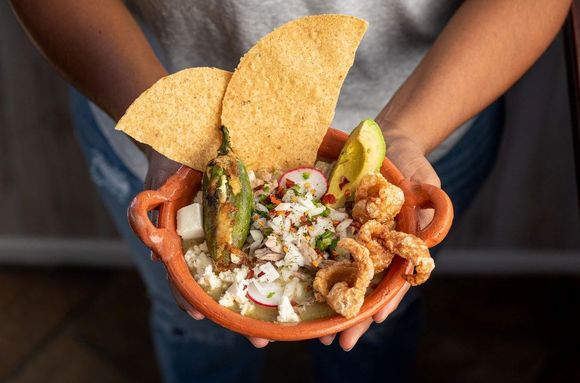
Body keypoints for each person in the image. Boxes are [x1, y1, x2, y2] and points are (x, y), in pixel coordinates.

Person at [11, 1, 571, 382]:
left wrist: (404, 134)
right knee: (191, 324)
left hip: (435, 111)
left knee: (382, 324)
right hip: (156, 118)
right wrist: (168, 140)